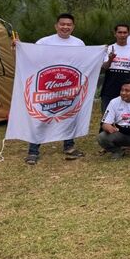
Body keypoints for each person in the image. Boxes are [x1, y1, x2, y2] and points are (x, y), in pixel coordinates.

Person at [24, 13, 86, 165]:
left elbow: (85, 61)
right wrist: (19, 48)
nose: (65, 27)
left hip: (69, 86)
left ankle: (69, 146)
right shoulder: (44, 42)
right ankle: (33, 151)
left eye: (69, 24)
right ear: (56, 26)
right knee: (41, 117)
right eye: (62, 24)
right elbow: (31, 57)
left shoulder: (79, 43)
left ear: (73, 27)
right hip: (47, 86)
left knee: (69, 116)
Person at [100, 23, 130, 113]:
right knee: (107, 114)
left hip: (127, 84)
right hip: (110, 85)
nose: (122, 35)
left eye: (125, 32)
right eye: (120, 32)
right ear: (115, 34)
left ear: (129, 34)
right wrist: (110, 59)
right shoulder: (109, 48)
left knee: (125, 114)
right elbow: (104, 68)